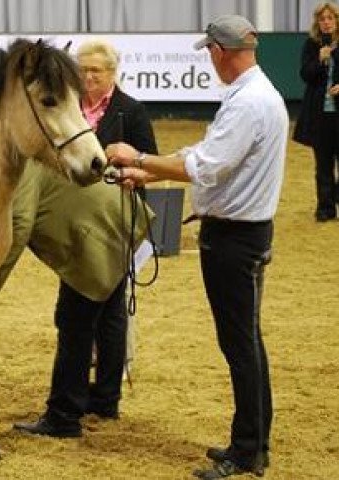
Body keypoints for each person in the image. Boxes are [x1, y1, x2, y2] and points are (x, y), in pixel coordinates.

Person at [106, 15, 288, 478]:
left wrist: (138, 157)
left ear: (222, 51)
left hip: (233, 238)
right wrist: (149, 173)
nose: (208, 59)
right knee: (246, 340)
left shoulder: (248, 102)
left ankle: (248, 450)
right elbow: (207, 153)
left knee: (240, 343)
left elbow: (207, 167)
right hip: (245, 233)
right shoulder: (255, 95)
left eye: (209, 51)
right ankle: (252, 439)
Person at [0, 39, 158, 438]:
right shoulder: (64, 118)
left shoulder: (120, 114)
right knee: (110, 315)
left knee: (76, 319)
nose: (86, 77)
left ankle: (64, 415)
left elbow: (24, 216)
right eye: (81, 70)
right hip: (109, 222)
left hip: (98, 231)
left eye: (95, 70)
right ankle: (104, 402)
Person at [293, 2, 339, 222]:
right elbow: (306, 75)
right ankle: (325, 209)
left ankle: (335, 196)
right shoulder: (312, 45)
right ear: (317, 22)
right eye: (323, 19)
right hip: (320, 115)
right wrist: (320, 60)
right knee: (323, 165)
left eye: (330, 18)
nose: (326, 23)